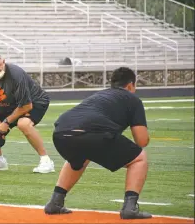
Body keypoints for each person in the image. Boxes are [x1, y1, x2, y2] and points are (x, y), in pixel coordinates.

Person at [44, 67, 152, 219]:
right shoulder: (132, 99)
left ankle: (55, 202)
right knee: (139, 158)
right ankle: (130, 208)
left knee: (80, 157)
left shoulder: (100, 95)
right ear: (130, 85)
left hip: (61, 132)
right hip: (91, 132)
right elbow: (141, 140)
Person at [0, 52, 55, 174]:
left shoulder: (16, 75)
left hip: (35, 101)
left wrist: (6, 122)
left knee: (23, 124)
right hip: (11, 104)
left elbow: (26, 105)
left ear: (3, 62)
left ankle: (46, 161)